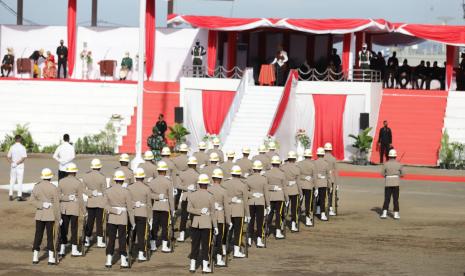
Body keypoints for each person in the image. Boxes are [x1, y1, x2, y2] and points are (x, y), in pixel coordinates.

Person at [104, 170, 135, 268]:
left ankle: (109, 260)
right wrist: (132, 222)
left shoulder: (108, 191)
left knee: (111, 239)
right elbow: (130, 209)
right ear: (122, 180)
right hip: (123, 218)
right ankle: (123, 261)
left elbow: (105, 206)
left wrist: (113, 210)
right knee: (122, 239)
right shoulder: (126, 191)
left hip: (112, 218)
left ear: (115, 180)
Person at [188, 174, 217, 273]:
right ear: (207, 184)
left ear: (199, 184)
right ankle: (205, 266)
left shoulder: (192, 195)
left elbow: (189, 209)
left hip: (195, 223)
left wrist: (198, 211)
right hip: (207, 224)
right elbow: (213, 213)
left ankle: (192, 265)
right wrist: (215, 226)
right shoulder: (210, 196)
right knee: (206, 246)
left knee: (194, 245)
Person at [31, 168, 60, 265]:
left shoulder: (36, 186)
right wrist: (59, 218)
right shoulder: (53, 188)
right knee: (50, 237)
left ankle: (35, 257)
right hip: (50, 215)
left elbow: (31, 200)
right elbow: (56, 205)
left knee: (38, 236)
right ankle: (51, 258)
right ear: (50, 177)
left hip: (39, 215)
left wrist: (41, 204)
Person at [58, 163, 84, 257]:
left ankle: (62, 249)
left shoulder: (61, 181)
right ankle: (74, 250)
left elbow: (58, 196)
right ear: (75, 172)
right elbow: (80, 199)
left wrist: (66, 198)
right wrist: (84, 211)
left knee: (63, 229)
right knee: (74, 229)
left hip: (63, 208)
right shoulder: (78, 182)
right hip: (74, 209)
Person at [222, 165, 249, 258]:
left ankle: (224, 248)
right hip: (239, 210)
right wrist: (248, 214)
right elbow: (246, 201)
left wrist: (230, 199)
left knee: (226, 230)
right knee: (238, 231)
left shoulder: (225, 183)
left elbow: (223, 198)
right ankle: (236, 251)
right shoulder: (243, 184)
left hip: (227, 209)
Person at [148, 161, 175, 253]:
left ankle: (153, 245)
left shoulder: (152, 182)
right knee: (165, 227)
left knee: (154, 226)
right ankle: (164, 246)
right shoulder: (168, 182)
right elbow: (171, 197)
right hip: (165, 207)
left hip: (155, 206)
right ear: (165, 171)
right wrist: (172, 209)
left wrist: (157, 197)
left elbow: (149, 195)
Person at [127, 168, 153, 262]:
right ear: (143, 177)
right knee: (141, 235)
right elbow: (149, 204)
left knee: (130, 233)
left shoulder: (129, 187)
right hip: (142, 213)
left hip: (132, 213)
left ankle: (129, 250)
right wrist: (150, 217)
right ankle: (141, 254)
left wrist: (134, 204)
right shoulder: (147, 188)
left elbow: (128, 202)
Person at [82, 159, 107, 248]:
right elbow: (105, 192)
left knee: (90, 221)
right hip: (100, 201)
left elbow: (83, 189)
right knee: (99, 222)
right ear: (99, 167)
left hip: (91, 200)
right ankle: (100, 241)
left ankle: (87, 240)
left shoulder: (86, 176)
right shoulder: (102, 176)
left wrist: (91, 193)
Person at [208, 168, 230, 266]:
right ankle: (219, 258)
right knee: (219, 239)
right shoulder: (223, 191)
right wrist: (228, 221)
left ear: (212, 178)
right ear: (220, 179)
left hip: (208, 218)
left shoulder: (208, 189)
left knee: (208, 238)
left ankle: (207, 257)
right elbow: (227, 207)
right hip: (220, 217)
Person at [246, 160, 269, 247]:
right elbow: (266, 193)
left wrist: (252, 194)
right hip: (260, 201)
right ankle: (259, 240)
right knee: (260, 222)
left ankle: (249, 239)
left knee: (250, 221)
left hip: (251, 201)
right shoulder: (264, 179)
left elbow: (245, 192)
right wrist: (268, 205)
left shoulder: (248, 178)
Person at [177, 156, 200, 242]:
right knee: (194, 217)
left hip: (185, 197)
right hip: (195, 198)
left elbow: (178, 186)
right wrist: (193, 189)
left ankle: (182, 235)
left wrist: (186, 188)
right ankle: (194, 236)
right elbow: (199, 188)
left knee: (183, 216)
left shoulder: (182, 173)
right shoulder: (198, 175)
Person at [264, 155, 288, 239]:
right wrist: (287, 198)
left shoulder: (267, 173)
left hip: (270, 196)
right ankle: (278, 231)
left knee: (270, 213)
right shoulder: (282, 174)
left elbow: (265, 186)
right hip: (279, 196)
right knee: (279, 214)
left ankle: (266, 228)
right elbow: (284, 187)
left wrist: (272, 187)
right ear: (279, 163)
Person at [280, 151, 301, 232]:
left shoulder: (282, 167)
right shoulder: (297, 168)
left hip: (285, 190)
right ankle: (293, 225)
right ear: (295, 159)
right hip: (294, 190)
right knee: (294, 209)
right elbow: (298, 182)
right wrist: (300, 192)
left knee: (284, 208)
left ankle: (281, 224)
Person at [380, 149, 403, 220]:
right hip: (396, 183)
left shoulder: (385, 164)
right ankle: (396, 214)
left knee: (387, 198)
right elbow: (403, 174)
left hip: (388, 182)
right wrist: (397, 174)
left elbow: (382, 173)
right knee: (395, 199)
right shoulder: (399, 164)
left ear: (389, 156)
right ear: (395, 156)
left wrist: (387, 175)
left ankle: (384, 213)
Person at [297, 149, 315, 226]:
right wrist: (316, 187)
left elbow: (297, 175)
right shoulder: (313, 164)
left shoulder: (299, 164)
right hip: (309, 186)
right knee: (308, 203)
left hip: (300, 185)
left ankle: (296, 217)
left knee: (298, 203)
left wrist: (303, 177)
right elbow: (314, 177)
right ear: (310, 156)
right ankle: (308, 219)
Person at [7, 135, 27, 201]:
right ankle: (19, 196)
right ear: (20, 139)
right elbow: (23, 157)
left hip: (13, 166)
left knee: (12, 180)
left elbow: (8, 157)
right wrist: (17, 163)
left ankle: (10, 195)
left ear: (15, 139)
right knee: (19, 181)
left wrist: (13, 163)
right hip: (20, 166)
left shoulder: (12, 147)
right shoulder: (22, 147)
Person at [314, 147, 330, 221]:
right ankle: (322, 214)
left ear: (317, 154)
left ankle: (317, 210)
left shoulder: (314, 162)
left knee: (315, 198)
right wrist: (329, 185)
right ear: (323, 155)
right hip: (323, 183)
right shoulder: (326, 163)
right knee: (322, 198)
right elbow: (328, 176)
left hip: (315, 182)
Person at [172, 143, 189, 207]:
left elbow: (173, 170)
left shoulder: (175, 159)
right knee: (186, 195)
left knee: (177, 195)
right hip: (186, 179)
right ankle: (184, 209)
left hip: (178, 178)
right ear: (186, 151)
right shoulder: (189, 159)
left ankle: (175, 208)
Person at [323, 143, 338, 216]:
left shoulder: (321, 158)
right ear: (331, 150)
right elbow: (335, 171)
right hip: (331, 178)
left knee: (321, 194)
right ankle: (330, 209)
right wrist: (337, 183)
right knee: (330, 194)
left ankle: (319, 208)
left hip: (322, 179)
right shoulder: (333, 159)